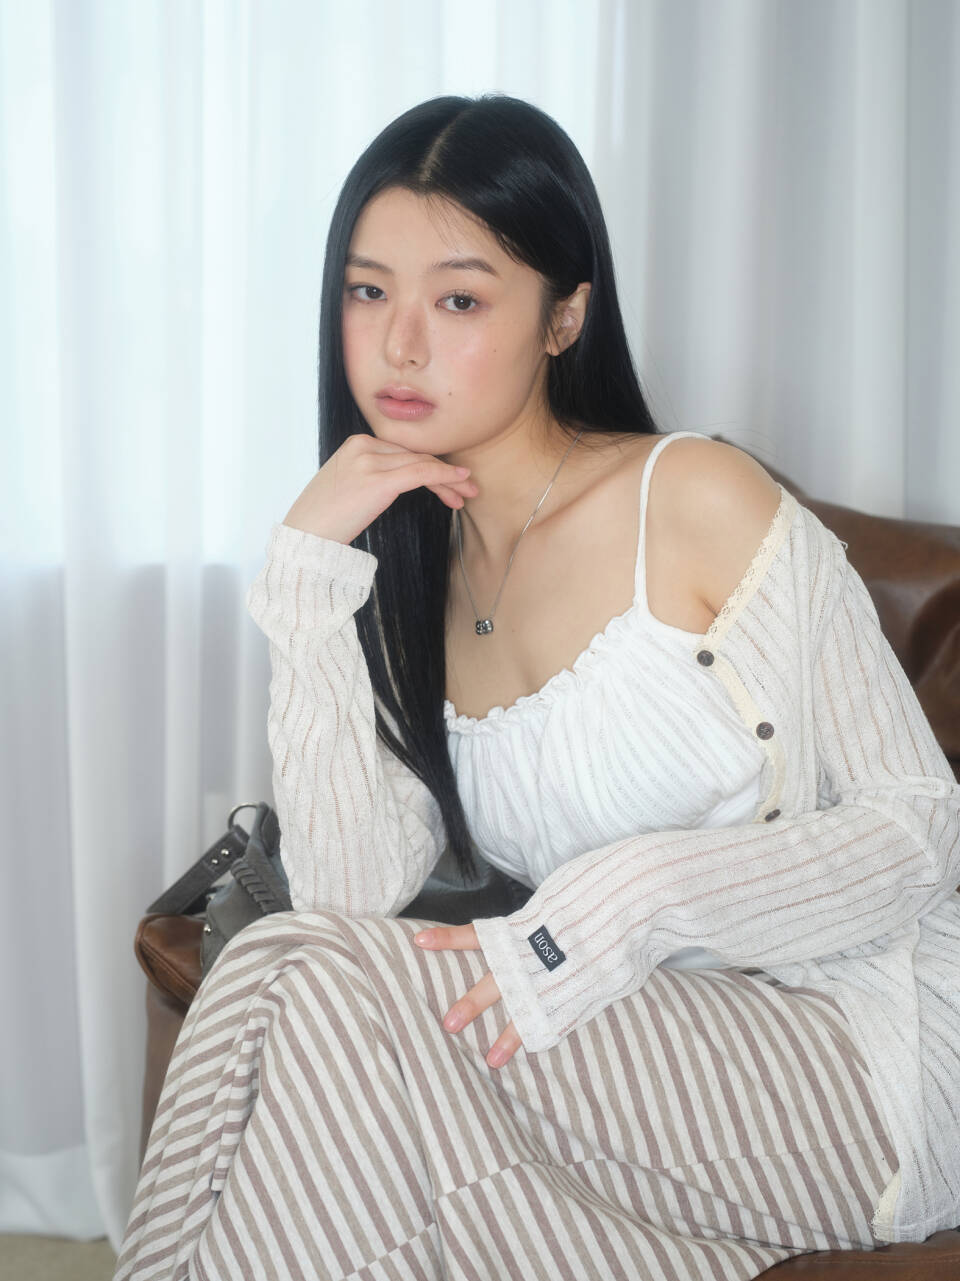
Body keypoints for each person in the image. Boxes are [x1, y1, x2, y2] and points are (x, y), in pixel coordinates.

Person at [113, 93, 960, 1281]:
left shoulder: (695, 499)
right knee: (307, 980)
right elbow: (350, 898)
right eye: (368, 292)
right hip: (615, 1042)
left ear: (565, 317)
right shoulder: (405, 573)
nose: (401, 345)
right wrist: (306, 583)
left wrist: (630, 898)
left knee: (309, 985)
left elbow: (918, 830)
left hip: (862, 1060)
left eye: (459, 300)